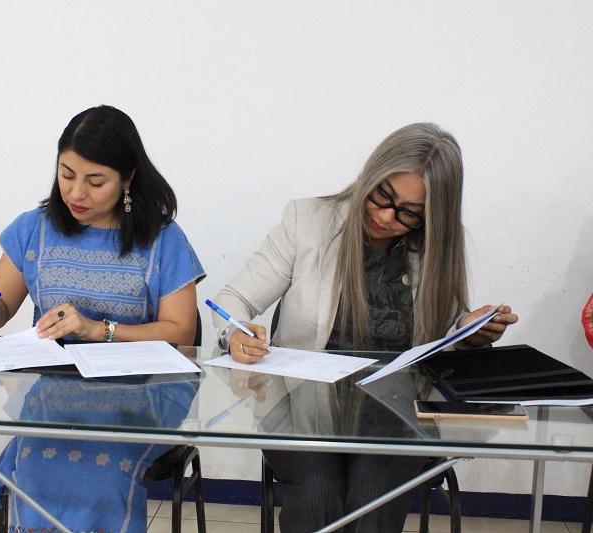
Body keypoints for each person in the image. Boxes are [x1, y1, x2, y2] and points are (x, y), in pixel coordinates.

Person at [212, 123, 518, 533]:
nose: (385, 216)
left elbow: (445, 329)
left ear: (432, 217)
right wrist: (235, 332)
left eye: (409, 212)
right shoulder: (309, 220)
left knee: (372, 499)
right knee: (318, 494)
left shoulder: (437, 246)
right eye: (382, 195)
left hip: (397, 414)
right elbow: (233, 299)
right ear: (371, 174)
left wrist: (468, 331)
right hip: (300, 409)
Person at [0, 105, 205, 532]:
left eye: (95, 181)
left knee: (101, 470)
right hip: (55, 389)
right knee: (35, 459)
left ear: (127, 178)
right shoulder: (35, 228)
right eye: (66, 175)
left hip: (143, 393)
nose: (77, 193)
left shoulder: (162, 238)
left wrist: (98, 330)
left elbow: (181, 332)